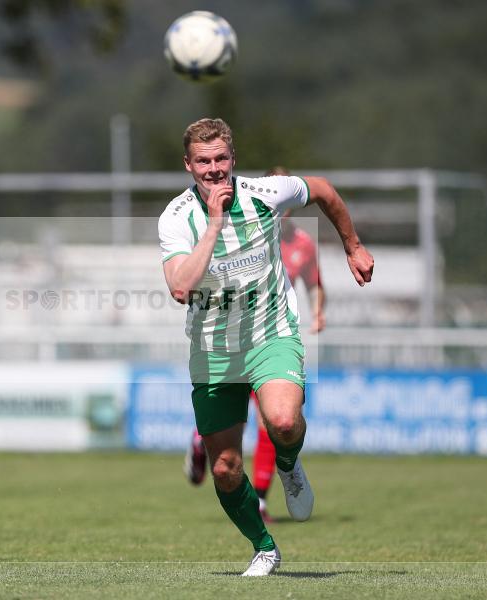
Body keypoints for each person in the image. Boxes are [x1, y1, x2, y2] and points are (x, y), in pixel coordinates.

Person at [159, 118, 372, 576]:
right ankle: (264, 546)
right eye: (203, 161)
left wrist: (351, 246)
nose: (213, 169)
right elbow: (179, 287)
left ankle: (289, 465)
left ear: (232, 159)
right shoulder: (177, 218)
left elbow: (324, 191)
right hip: (213, 350)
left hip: (269, 332)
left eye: (220, 159)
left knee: (282, 420)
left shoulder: (266, 193)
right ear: (188, 166)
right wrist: (214, 224)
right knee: (225, 470)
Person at [184, 166, 326, 525]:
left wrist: (319, 312)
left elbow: (315, 282)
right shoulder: (246, 227)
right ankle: (202, 440)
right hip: (229, 342)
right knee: (234, 432)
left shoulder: (303, 244)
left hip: (271, 338)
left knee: (275, 422)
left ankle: (262, 497)